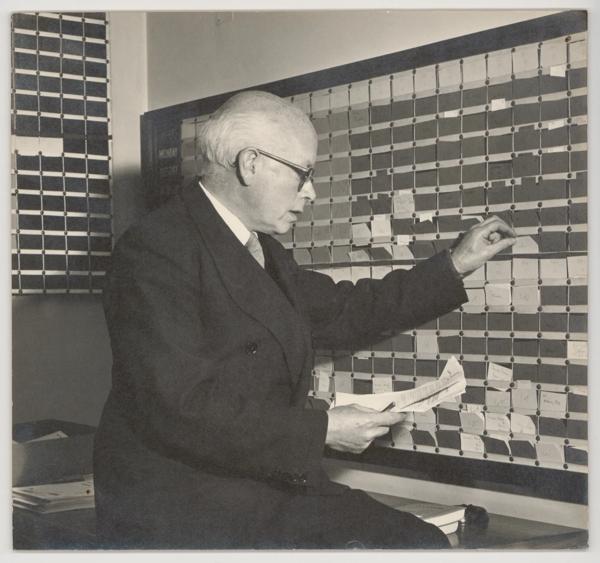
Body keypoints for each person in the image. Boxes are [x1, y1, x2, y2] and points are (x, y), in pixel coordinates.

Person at [93, 90, 516, 549]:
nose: (311, 193)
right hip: (181, 502)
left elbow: (344, 311)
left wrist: (455, 264)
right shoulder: (155, 248)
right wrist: (325, 429)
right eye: (303, 175)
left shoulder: (259, 248)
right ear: (250, 163)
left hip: (259, 483)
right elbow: (178, 407)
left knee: (418, 541)